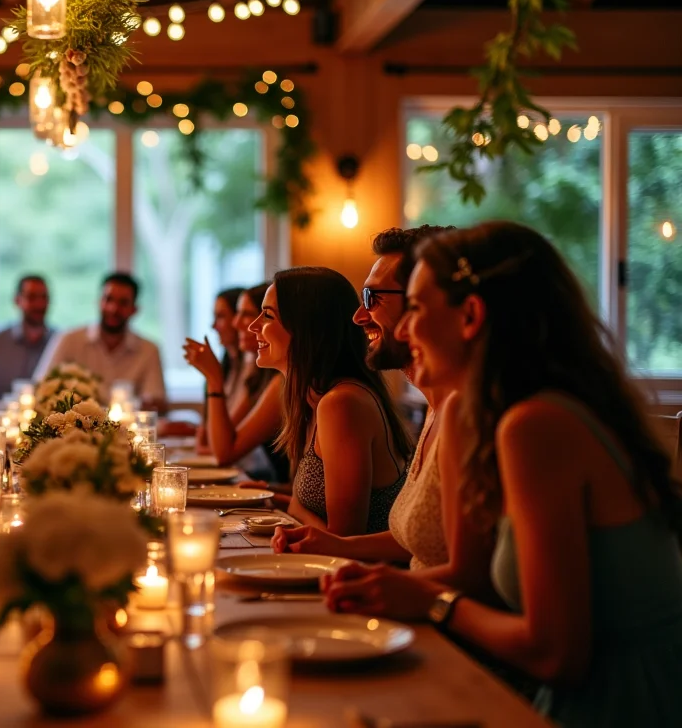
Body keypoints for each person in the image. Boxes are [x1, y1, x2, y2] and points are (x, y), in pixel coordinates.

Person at [324, 222, 682, 727]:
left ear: (471, 316)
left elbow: (556, 655)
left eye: (419, 309)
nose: (403, 330)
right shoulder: (539, 410)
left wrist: (430, 599)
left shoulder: (535, 425)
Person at [273, 227, 493, 581]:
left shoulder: (478, 415)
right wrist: (339, 547)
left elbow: (470, 577)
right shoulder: (438, 408)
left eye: (373, 297)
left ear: (467, 314)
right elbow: (421, 541)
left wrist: (389, 584)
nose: (359, 316)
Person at [246, 267, 412, 535]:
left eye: (267, 315)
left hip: (368, 572)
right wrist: (274, 497)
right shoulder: (315, 398)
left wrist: (293, 509)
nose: (253, 326)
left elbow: (344, 538)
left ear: (305, 326)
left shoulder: (342, 403)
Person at [184, 283, 289, 483]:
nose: (238, 324)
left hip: (265, 477)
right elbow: (211, 438)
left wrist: (213, 378)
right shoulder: (259, 375)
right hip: (267, 484)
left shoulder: (279, 383)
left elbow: (223, 451)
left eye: (248, 314)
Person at [35, 272, 167, 413]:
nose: (113, 308)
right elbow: (41, 388)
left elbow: (156, 401)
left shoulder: (149, 350)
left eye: (123, 303)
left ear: (134, 309)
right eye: (108, 299)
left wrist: (144, 404)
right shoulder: (69, 340)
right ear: (99, 302)